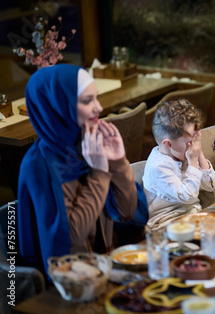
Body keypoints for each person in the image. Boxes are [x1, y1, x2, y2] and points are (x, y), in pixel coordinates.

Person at [17, 64, 148, 276]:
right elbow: (70, 242)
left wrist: (118, 163)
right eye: (87, 101)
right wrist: (100, 174)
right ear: (58, 107)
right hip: (72, 283)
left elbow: (131, 215)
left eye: (96, 97)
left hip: (108, 264)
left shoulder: (88, 144)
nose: (99, 107)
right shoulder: (38, 166)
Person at [143, 99, 215, 231]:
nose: (193, 146)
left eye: (196, 140)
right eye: (190, 142)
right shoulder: (158, 166)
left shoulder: (183, 153)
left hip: (192, 216)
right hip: (165, 225)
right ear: (168, 144)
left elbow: (212, 184)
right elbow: (188, 196)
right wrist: (193, 162)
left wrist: (199, 153)